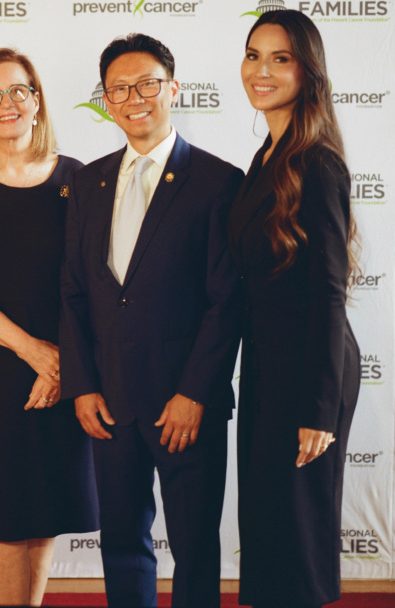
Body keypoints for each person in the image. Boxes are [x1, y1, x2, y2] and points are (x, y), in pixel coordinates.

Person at [59, 33, 243, 608]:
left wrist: (195, 393)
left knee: (193, 546)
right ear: (106, 101)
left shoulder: (218, 182)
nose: (133, 97)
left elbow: (226, 301)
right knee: (121, 542)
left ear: (173, 89)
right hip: (109, 401)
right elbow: (73, 292)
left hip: (183, 406)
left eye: (146, 84)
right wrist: (83, 384)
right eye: (119, 89)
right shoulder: (87, 182)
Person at [0, 49, 98, 606]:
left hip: (61, 367)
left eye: (18, 90)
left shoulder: (77, 178)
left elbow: (84, 284)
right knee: (2, 513)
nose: (7, 104)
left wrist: (61, 365)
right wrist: (34, 352)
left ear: (37, 100)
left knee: (45, 505)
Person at [227, 9, 360, 608]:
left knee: (297, 532)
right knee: (267, 525)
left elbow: (330, 290)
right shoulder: (265, 156)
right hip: (266, 365)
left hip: (308, 371)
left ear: (307, 71)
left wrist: (319, 408)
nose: (262, 70)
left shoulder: (317, 162)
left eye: (280, 59)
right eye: (254, 55)